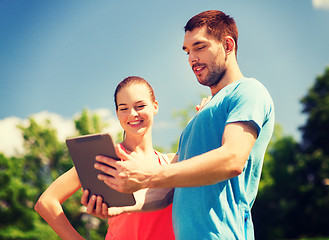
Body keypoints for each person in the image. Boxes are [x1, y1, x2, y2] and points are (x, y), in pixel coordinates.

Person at [87, 10, 275, 240]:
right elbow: (168, 193)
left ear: (228, 45)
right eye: (187, 51)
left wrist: (149, 174)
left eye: (199, 47)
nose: (191, 58)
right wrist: (122, 208)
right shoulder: (198, 119)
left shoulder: (248, 90)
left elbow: (232, 159)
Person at [34, 76, 178, 240]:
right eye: (123, 108)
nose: (132, 114)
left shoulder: (171, 162)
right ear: (117, 113)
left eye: (140, 106)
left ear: (155, 106)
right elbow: (46, 202)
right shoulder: (106, 159)